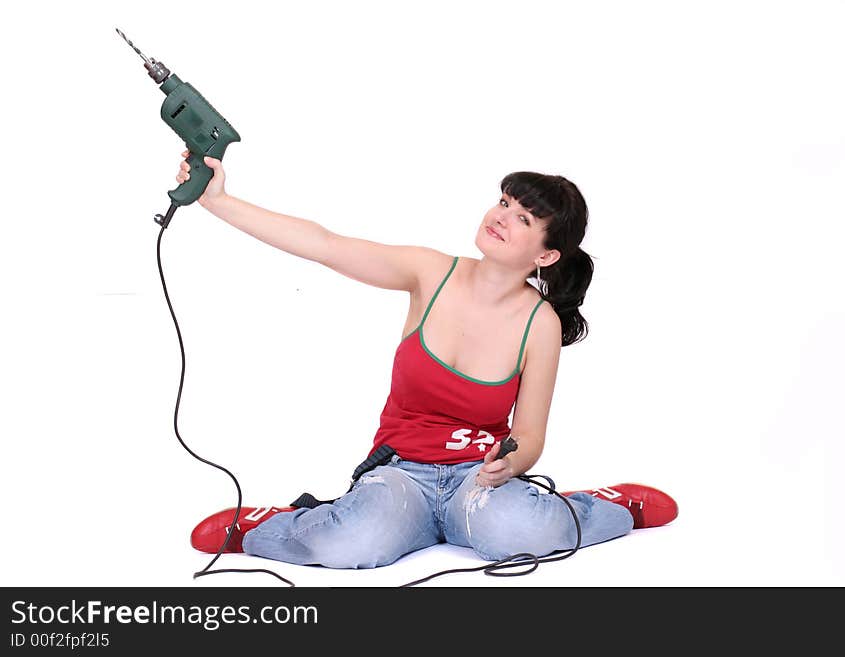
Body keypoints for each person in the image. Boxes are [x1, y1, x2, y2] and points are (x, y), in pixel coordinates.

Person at [180, 151, 678, 569]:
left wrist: (513, 463)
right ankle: (265, 525)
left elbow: (528, 435)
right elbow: (324, 245)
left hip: (475, 479)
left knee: (517, 533)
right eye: (504, 202)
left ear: (546, 256)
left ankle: (609, 508)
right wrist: (218, 201)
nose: (501, 216)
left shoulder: (540, 323)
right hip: (400, 472)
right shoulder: (429, 272)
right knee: (353, 543)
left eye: (523, 218)